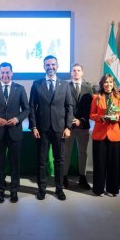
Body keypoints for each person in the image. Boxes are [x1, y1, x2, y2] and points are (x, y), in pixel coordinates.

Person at [29, 55, 73, 201]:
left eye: (53, 64)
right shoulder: (36, 84)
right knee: (41, 161)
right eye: (47, 65)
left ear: (57, 66)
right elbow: (32, 107)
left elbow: (69, 107)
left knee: (59, 160)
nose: (50, 67)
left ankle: (59, 189)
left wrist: (68, 126)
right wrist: (33, 126)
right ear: (44, 66)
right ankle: (42, 189)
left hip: (60, 129)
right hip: (41, 129)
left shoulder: (65, 85)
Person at [0, 62, 30, 203]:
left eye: (7, 72)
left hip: (14, 132)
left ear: (12, 73)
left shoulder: (20, 88)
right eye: (2, 73)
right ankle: (0, 190)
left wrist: (17, 118)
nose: (5, 75)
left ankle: (14, 190)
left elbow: (27, 110)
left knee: (15, 163)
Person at [90, 74, 120, 197]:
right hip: (100, 134)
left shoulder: (119, 97)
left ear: (113, 84)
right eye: (105, 82)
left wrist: (117, 117)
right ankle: (98, 189)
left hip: (114, 134)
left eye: (110, 82)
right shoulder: (96, 97)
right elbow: (92, 115)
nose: (108, 84)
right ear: (102, 84)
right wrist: (101, 117)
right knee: (99, 164)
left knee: (113, 164)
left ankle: (112, 189)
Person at [63, 63, 93, 190]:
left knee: (83, 153)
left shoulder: (89, 88)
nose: (76, 72)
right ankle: (64, 177)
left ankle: (82, 177)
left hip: (83, 126)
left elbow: (91, 108)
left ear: (82, 72)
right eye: (74, 70)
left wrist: (81, 120)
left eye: (78, 70)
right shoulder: (65, 86)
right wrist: (70, 121)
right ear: (71, 73)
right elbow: (63, 106)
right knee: (66, 153)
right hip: (68, 127)